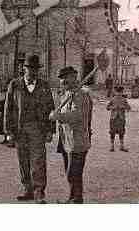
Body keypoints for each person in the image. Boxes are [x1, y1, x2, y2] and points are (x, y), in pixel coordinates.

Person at [4, 55, 54, 203]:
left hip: (38, 129)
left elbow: (50, 108)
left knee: (38, 161)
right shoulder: (14, 85)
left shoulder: (44, 86)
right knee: (23, 160)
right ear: (23, 69)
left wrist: (50, 130)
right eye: (29, 68)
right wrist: (8, 131)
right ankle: (28, 190)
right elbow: (8, 108)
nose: (32, 71)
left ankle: (39, 192)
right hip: (20, 130)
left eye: (35, 69)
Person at [50, 66, 93, 204]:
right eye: (61, 78)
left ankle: (77, 199)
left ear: (74, 77)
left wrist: (58, 116)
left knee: (73, 172)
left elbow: (77, 115)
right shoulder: (67, 94)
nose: (62, 81)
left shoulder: (81, 95)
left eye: (65, 78)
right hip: (66, 140)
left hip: (77, 140)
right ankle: (73, 197)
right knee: (70, 173)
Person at [106, 86, 130, 152]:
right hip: (113, 118)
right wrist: (113, 107)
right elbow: (107, 107)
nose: (119, 94)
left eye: (120, 92)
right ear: (115, 92)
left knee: (121, 132)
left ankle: (122, 146)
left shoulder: (124, 99)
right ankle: (112, 146)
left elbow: (128, 108)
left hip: (121, 118)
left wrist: (123, 107)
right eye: (117, 92)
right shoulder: (112, 99)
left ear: (122, 92)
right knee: (112, 132)